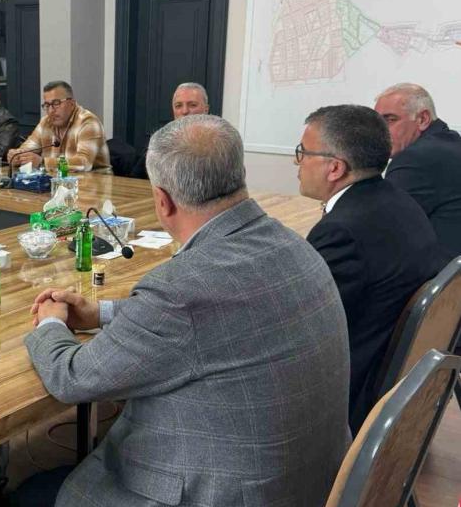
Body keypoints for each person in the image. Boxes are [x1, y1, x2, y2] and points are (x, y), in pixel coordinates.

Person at [25, 115, 351, 507]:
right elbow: (209, 321)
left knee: (33, 493)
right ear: (239, 175)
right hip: (309, 483)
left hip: (222, 494)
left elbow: (72, 378)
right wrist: (102, 313)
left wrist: (50, 324)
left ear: (162, 200)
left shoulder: (179, 289)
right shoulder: (295, 246)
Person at [296, 104, 447, 433]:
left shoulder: (342, 232)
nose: (298, 163)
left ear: (335, 168)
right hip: (397, 381)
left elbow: (301, 328)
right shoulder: (398, 202)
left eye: (303, 152)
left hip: (348, 395)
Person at [374, 83, 461, 256]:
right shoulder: (450, 141)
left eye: (390, 120)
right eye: (376, 123)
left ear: (422, 119)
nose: (379, 132)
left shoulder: (416, 159)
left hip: (441, 269)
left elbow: (380, 229)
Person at [6, 80, 110, 172]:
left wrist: (43, 162)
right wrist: (17, 155)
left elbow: (84, 163)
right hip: (59, 181)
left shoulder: (88, 123)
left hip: (95, 182)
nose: (51, 110)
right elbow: (28, 147)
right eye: (47, 105)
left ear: (72, 104)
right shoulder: (45, 122)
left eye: (56, 103)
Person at [131, 82, 210, 178]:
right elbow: (136, 177)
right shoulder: (160, 140)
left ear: (206, 109)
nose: (185, 111)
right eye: (178, 106)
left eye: (192, 105)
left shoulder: (219, 139)